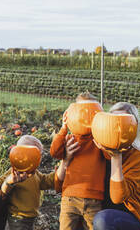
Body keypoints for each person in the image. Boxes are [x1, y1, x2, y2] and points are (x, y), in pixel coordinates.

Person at [0, 135, 81, 230]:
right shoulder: (15, 173)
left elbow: (49, 180)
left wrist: (63, 166)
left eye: (39, 155)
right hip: (18, 218)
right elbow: (1, 181)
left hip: (30, 218)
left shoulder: (35, 174)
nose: (39, 159)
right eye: (36, 154)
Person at [93, 102, 140, 230]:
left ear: (133, 127)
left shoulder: (139, 156)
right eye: (113, 122)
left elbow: (117, 197)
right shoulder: (98, 150)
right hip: (98, 213)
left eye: (123, 124)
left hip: (130, 219)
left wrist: (116, 157)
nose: (117, 129)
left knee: (103, 220)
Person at [50, 92, 109, 230]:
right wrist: (64, 128)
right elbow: (54, 152)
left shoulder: (99, 141)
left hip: (94, 198)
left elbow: (109, 156)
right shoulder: (71, 139)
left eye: (92, 114)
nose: (86, 118)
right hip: (70, 197)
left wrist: (104, 131)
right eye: (82, 113)